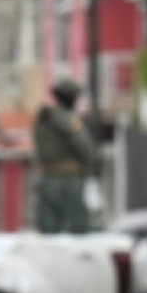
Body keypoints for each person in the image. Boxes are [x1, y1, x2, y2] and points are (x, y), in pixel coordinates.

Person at [34, 78, 101, 234]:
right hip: (69, 181)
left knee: (49, 229)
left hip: (48, 177)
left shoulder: (44, 118)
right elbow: (84, 146)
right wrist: (94, 165)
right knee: (77, 229)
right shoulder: (67, 119)